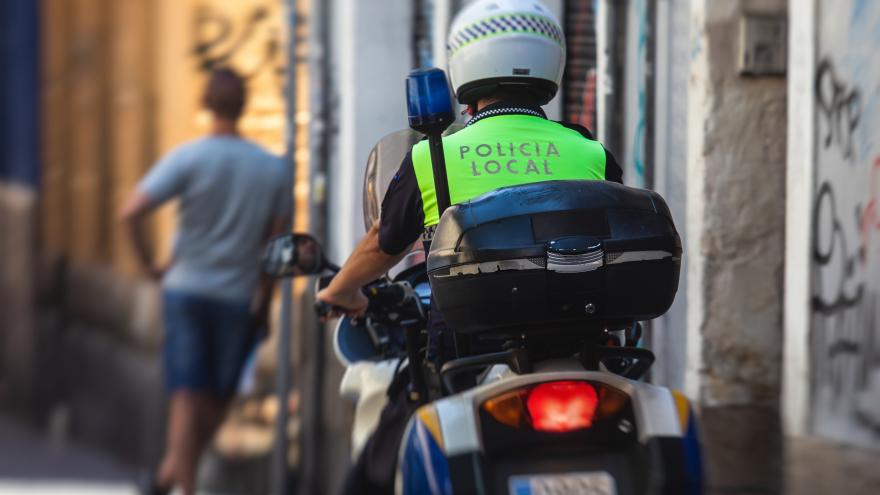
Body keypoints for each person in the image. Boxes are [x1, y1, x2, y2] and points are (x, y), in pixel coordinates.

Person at [318, 0, 623, 492]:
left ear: (464, 68)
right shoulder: (588, 149)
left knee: (375, 469)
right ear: (553, 62)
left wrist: (338, 291)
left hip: (465, 356)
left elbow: (383, 245)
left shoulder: (433, 157)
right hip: (582, 351)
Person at [119, 68, 290, 495]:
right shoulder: (274, 170)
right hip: (237, 298)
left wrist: (146, 266)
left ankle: (166, 480)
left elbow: (131, 211)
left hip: (185, 291)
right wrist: (265, 305)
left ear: (206, 104)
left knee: (187, 396)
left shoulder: (188, 158)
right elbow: (274, 249)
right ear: (244, 107)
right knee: (214, 400)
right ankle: (179, 485)